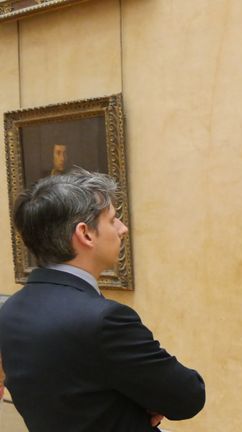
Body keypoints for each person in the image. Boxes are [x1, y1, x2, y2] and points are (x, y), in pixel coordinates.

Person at [0, 169, 205, 431]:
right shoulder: (104, 320)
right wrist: (143, 404)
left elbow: (74, 393)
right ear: (85, 234)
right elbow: (188, 396)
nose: (123, 228)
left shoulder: (11, 310)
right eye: (113, 219)